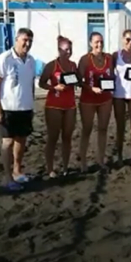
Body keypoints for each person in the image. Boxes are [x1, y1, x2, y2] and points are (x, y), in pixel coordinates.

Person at [0, 27, 36, 191]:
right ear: (17, 39)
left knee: (21, 140)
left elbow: (30, 84)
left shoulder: (31, 60)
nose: (27, 43)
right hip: (8, 108)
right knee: (7, 142)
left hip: (25, 108)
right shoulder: (5, 58)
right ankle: (7, 178)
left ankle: (17, 171)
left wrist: (32, 104)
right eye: (24, 40)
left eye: (30, 40)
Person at [39, 36, 77, 178]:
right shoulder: (51, 65)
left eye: (70, 50)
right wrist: (53, 87)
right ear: (59, 50)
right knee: (53, 137)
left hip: (70, 105)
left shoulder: (73, 65)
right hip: (54, 104)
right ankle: (50, 169)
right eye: (65, 50)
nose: (68, 52)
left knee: (67, 137)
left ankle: (66, 167)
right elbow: (41, 83)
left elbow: (77, 80)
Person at [78, 32, 113, 172]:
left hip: (105, 98)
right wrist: (91, 88)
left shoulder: (109, 58)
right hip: (88, 99)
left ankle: (101, 160)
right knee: (87, 129)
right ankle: (83, 162)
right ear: (90, 43)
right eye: (96, 42)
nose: (99, 45)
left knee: (103, 129)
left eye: (101, 41)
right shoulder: (85, 59)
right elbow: (79, 80)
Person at [113, 30, 131, 169]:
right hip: (119, 94)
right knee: (120, 127)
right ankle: (119, 156)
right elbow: (108, 73)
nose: (130, 43)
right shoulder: (116, 55)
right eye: (128, 39)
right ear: (123, 39)